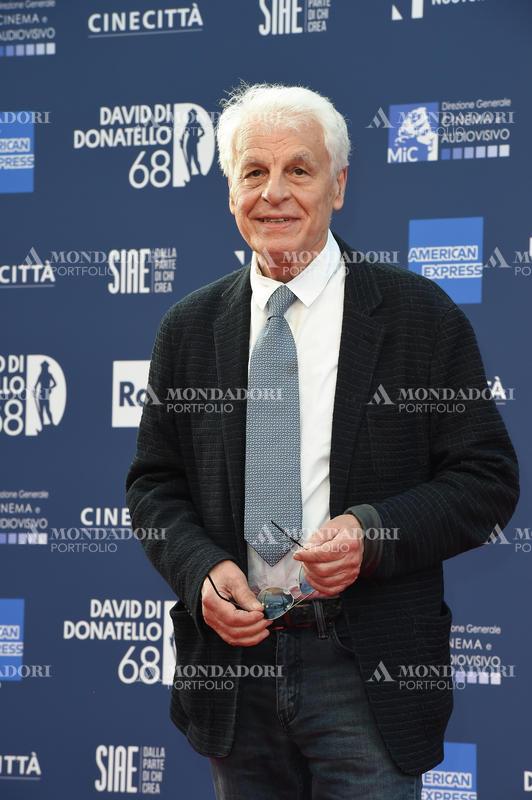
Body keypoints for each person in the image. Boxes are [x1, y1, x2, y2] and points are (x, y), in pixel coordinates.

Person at [126, 83, 519, 800]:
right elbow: (154, 486)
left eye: (299, 171)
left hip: (365, 672)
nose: (274, 193)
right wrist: (202, 571)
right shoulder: (186, 328)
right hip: (235, 675)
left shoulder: (418, 316)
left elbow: (487, 481)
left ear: (338, 186)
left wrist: (373, 533)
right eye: (254, 172)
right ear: (229, 192)